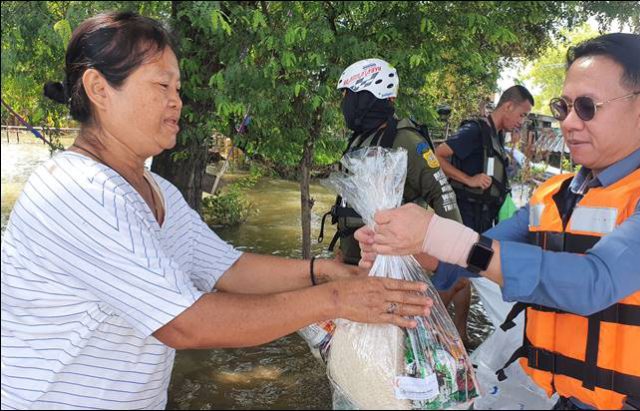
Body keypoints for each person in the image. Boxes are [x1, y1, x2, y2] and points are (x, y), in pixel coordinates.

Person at [0, 12, 433, 409]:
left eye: (179, 89)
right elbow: (185, 323)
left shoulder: (155, 189)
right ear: (99, 89)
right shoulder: (78, 191)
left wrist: (328, 273)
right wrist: (336, 300)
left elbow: (230, 268)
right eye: (161, 86)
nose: (177, 102)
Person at [355, 33, 640, 410]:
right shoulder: (553, 195)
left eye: (587, 107)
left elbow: (595, 282)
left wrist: (441, 234)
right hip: (560, 399)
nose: (569, 123)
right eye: (562, 106)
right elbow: (471, 258)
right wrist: (406, 248)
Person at [323, 58, 468, 343]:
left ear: (368, 97)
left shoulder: (407, 141)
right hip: (355, 264)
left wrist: (446, 253)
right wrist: (341, 253)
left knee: (393, 347)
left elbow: (442, 195)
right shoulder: (359, 140)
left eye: (349, 97)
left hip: (390, 270)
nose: (345, 105)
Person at [435, 85, 533, 233]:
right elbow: (437, 156)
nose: (522, 122)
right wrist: (468, 179)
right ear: (509, 106)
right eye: (522, 115)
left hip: (483, 218)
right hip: (466, 218)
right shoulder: (474, 130)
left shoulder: (496, 135)